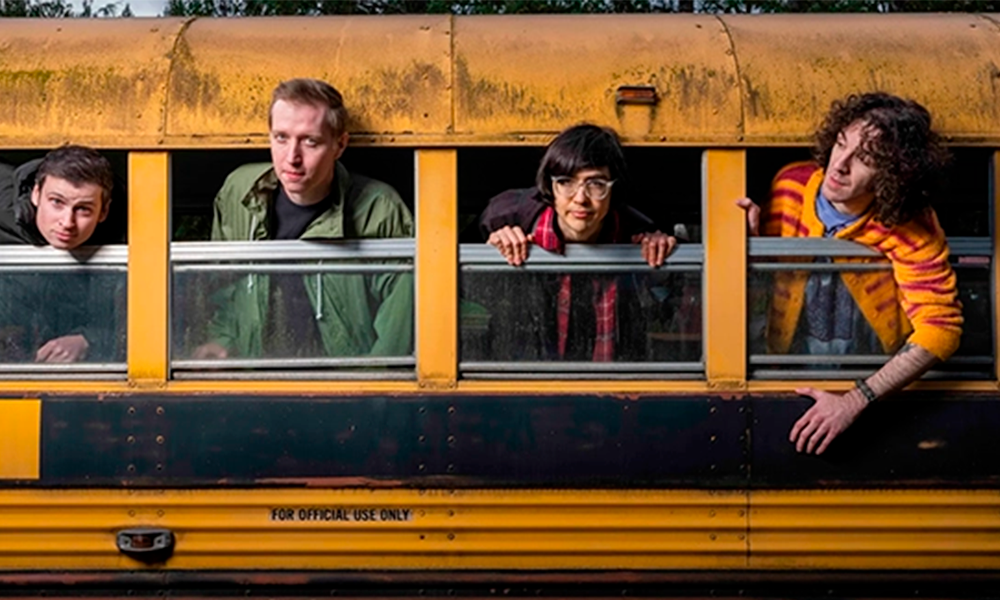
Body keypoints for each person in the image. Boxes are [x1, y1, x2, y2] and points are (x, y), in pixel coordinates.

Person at [738, 92, 962, 455]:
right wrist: (753, 247)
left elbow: (941, 331)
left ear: (893, 173)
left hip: (872, 380)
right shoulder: (789, 185)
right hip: (781, 372)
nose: (838, 165)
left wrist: (855, 399)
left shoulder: (912, 224)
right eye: (840, 145)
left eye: (865, 159)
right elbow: (766, 295)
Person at [194, 78, 413, 360]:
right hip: (253, 381)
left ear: (340, 145)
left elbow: (401, 322)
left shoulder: (380, 209)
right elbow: (224, 287)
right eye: (281, 138)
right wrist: (222, 341)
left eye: (310, 141)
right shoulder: (239, 192)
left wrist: (370, 389)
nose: (292, 158)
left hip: (345, 388)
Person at [477, 124, 676, 362]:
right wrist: (492, 249)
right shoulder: (507, 219)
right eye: (566, 182)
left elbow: (668, 311)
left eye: (596, 184)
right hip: (524, 384)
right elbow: (453, 283)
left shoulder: (638, 233)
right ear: (550, 186)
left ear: (614, 189)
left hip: (616, 387)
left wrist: (663, 252)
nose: (580, 199)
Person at [0, 145, 124, 363]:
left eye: (83, 209)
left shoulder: (128, 230)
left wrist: (89, 339)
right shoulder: (4, 201)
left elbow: (143, 313)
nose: (67, 223)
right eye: (57, 202)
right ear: (36, 194)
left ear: (103, 211)